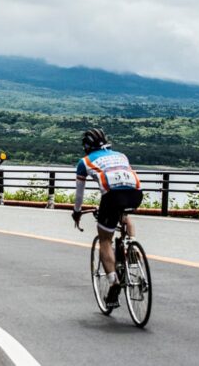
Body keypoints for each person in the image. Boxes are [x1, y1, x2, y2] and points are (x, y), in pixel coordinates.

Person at [71, 128, 143, 308]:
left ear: (86, 146)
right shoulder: (121, 155)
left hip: (112, 197)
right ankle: (132, 245)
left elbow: (79, 195)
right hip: (135, 193)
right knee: (124, 215)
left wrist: (77, 212)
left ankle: (113, 282)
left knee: (105, 239)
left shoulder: (85, 162)